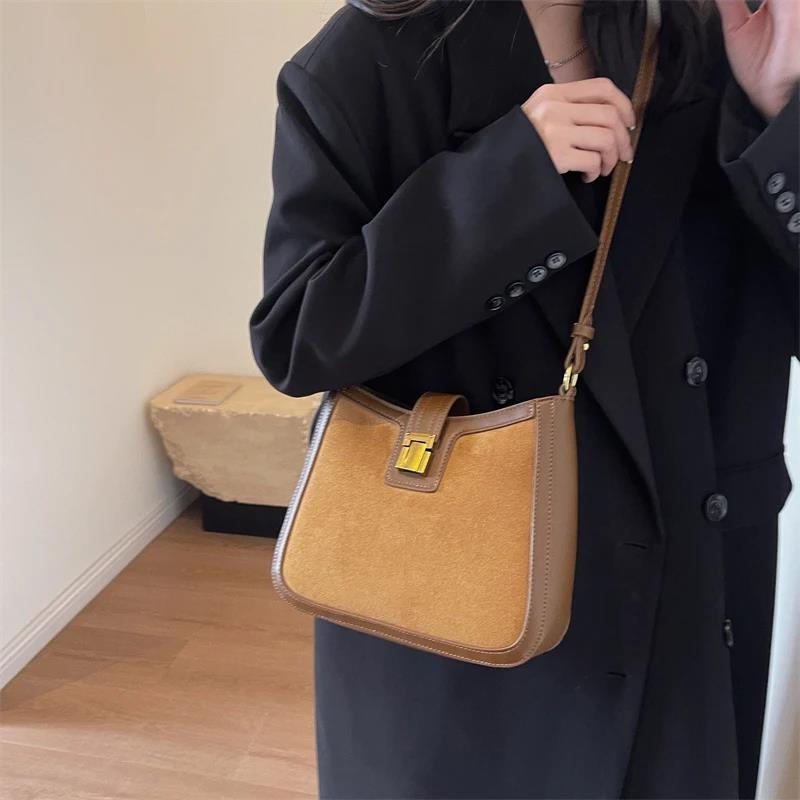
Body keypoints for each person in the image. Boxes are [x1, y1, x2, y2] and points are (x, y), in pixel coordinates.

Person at [248, 0, 799, 797]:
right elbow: (300, 335)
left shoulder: (711, 42)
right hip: (461, 607)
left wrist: (777, 119)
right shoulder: (364, 60)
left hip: (681, 596)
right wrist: (507, 181)